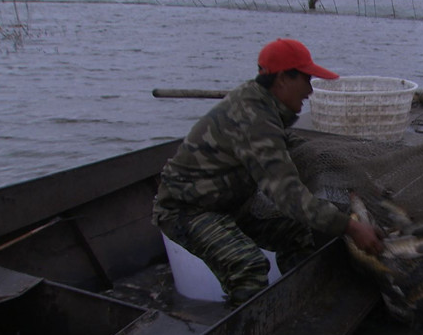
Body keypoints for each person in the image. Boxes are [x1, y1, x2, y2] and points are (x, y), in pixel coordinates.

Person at [153, 38, 384, 306]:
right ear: (283, 79)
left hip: (230, 205)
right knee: (248, 266)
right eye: (306, 79)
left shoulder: (262, 103)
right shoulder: (254, 117)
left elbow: (287, 143)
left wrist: (345, 166)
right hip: (188, 210)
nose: (310, 90)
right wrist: (351, 227)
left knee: (298, 234)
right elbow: (287, 195)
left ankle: (295, 304)